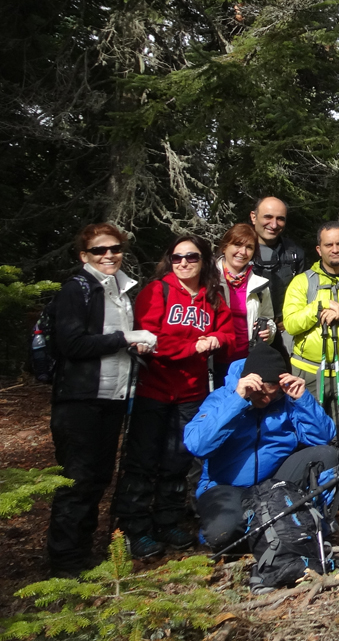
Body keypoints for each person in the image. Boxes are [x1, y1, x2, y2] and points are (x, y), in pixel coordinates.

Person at [113, 235, 234, 559]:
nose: (183, 263)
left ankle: (167, 521)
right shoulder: (157, 290)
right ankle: (134, 529)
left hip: (191, 393)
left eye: (191, 257)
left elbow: (229, 332)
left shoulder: (212, 296)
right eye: (177, 257)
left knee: (177, 461)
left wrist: (216, 339)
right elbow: (145, 339)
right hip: (154, 390)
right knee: (142, 461)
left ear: (203, 260)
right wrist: (190, 347)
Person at [46, 224, 156, 576]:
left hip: (112, 398)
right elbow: (73, 344)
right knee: (76, 482)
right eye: (99, 251)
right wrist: (124, 338)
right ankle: (64, 566)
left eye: (115, 249)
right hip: (79, 399)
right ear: (84, 256)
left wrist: (135, 345)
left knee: (97, 480)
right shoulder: (76, 290)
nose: (108, 255)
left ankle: (82, 556)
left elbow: (113, 344)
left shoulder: (119, 291)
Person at [183, 343, 339, 553]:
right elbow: (197, 445)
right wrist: (238, 400)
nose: (266, 400)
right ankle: (261, 531)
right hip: (226, 485)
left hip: (274, 482)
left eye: (272, 395)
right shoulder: (224, 397)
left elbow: (323, 436)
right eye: (261, 394)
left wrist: (303, 398)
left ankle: (314, 526)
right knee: (223, 534)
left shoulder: (285, 401)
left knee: (326, 455)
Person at [281, 222, 339, 482]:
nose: (335, 249)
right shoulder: (302, 284)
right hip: (308, 373)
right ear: (318, 249)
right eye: (328, 245)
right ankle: (308, 490)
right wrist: (319, 306)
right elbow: (290, 324)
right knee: (309, 432)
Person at [214, 223, 276, 383]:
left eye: (249, 247)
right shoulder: (208, 280)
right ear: (224, 247)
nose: (242, 252)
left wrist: (269, 331)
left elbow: (268, 318)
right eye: (237, 245)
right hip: (214, 359)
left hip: (247, 359)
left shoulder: (260, 285)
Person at [249, 197, 306, 346]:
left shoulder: (295, 254)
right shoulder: (237, 252)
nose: (274, 225)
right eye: (268, 217)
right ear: (253, 217)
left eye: (280, 219)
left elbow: (305, 295)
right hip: (244, 333)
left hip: (283, 333)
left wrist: (290, 320)